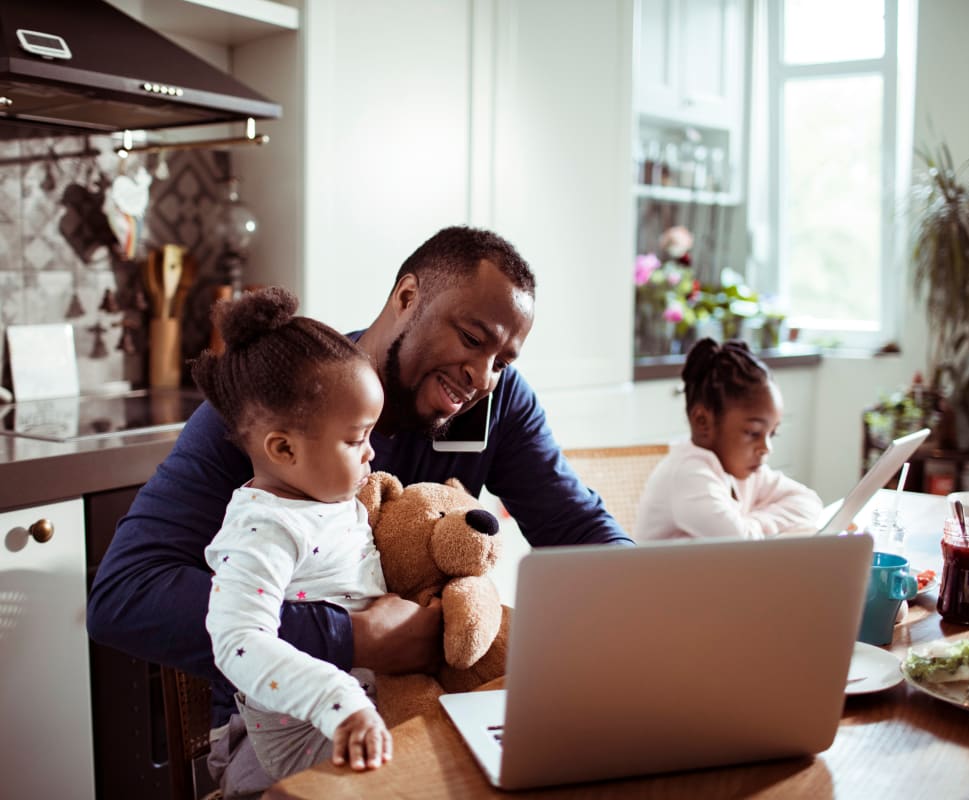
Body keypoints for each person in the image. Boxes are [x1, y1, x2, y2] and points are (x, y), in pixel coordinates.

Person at [87, 225, 632, 796]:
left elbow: (578, 528)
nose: (483, 376)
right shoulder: (282, 407)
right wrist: (352, 636)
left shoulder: (497, 403)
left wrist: (658, 606)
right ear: (406, 298)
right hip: (292, 732)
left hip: (424, 708)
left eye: (503, 359)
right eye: (472, 337)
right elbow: (125, 596)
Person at [193, 287, 391, 784]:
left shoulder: (324, 499)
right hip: (310, 737)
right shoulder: (264, 528)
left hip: (367, 709)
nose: (370, 454)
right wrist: (336, 700)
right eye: (356, 439)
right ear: (283, 449)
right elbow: (238, 640)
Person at [634, 337, 822, 541]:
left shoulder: (745, 471)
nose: (766, 448)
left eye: (772, 434)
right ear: (702, 421)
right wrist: (755, 526)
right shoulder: (687, 474)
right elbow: (740, 542)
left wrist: (754, 523)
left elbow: (809, 502)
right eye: (753, 433)